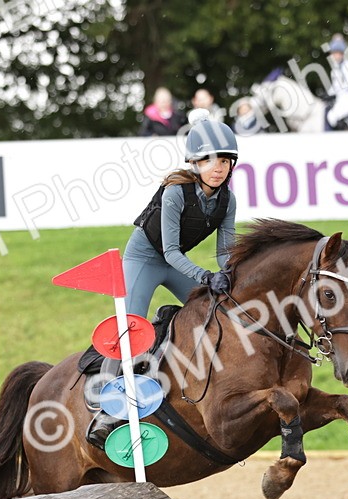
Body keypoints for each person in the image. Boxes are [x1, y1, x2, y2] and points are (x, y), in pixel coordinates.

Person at [86, 110, 237, 448]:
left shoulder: (227, 200)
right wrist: (205, 275)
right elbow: (169, 252)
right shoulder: (174, 193)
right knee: (130, 326)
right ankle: (106, 408)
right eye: (210, 160)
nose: (218, 167)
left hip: (174, 262)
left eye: (225, 161)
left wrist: (228, 277)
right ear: (195, 163)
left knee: (213, 309)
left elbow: (226, 252)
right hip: (145, 258)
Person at [325, 34, 348, 129]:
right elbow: (334, 86)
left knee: (331, 117)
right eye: (332, 53)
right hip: (339, 99)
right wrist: (327, 94)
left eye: (335, 53)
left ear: (341, 53)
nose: (333, 55)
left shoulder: (347, 65)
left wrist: (337, 90)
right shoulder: (335, 68)